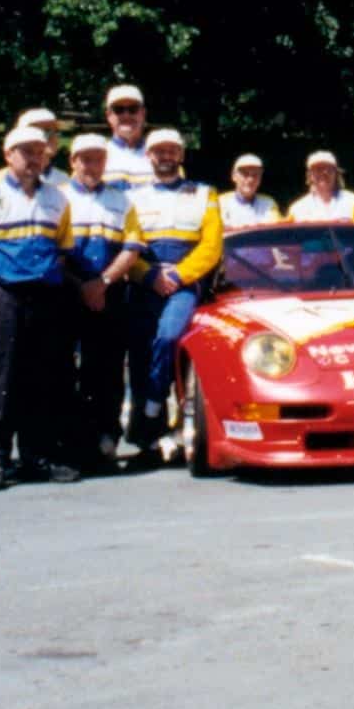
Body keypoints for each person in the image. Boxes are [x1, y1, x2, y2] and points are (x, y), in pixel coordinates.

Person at [0, 125, 97, 489]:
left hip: (46, 295)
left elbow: (63, 251)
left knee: (44, 376)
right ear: (8, 154)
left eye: (39, 152)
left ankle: (39, 455)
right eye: (25, 151)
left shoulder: (57, 199)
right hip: (4, 293)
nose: (33, 159)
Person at [122, 128, 223, 467]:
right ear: (149, 156)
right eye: (158, 151)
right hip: (145, 281)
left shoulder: (204, 194)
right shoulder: (132, 197)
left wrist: (179, 275)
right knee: (139, 352)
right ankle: (145, 438)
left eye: (171, 151)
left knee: (169, 339)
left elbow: (211, 247)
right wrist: (147, 275)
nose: (165, 157)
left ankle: (159, 407)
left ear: (180, 155)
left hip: (183, 281)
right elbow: (127, 246)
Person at [64, 133, 140, 469]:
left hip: (109, 292)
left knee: (107, 369)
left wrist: (104, 282)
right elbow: (53, 249)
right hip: (68, 291)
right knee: (66, 370)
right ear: (72, 161)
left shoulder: (121, 200)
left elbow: (132, 247)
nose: (92, 166)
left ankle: (106, 440)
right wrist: (82, 285)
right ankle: (72, 443)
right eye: (85, 159)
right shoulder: (58, 197)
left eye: (98, 159)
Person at [287, 151, 354, 220]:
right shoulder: (298, 209)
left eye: (329, 169)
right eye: (318, 169)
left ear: (336, 174)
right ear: (309, 175)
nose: (324, 173)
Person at [103, 84, 150, 189]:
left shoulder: (160, 155)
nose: (126, 115)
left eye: (133, 109)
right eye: (119, 109)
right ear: (108, 115)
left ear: (143, 113)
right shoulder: (96, 155)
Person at [220, 154, 281, 228]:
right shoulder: (220, 204)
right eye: (245, 174)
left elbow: (277, 231)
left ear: (260, 179)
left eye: (255, 175)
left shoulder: (269, 204)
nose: (250, 180)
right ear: (234, 176)